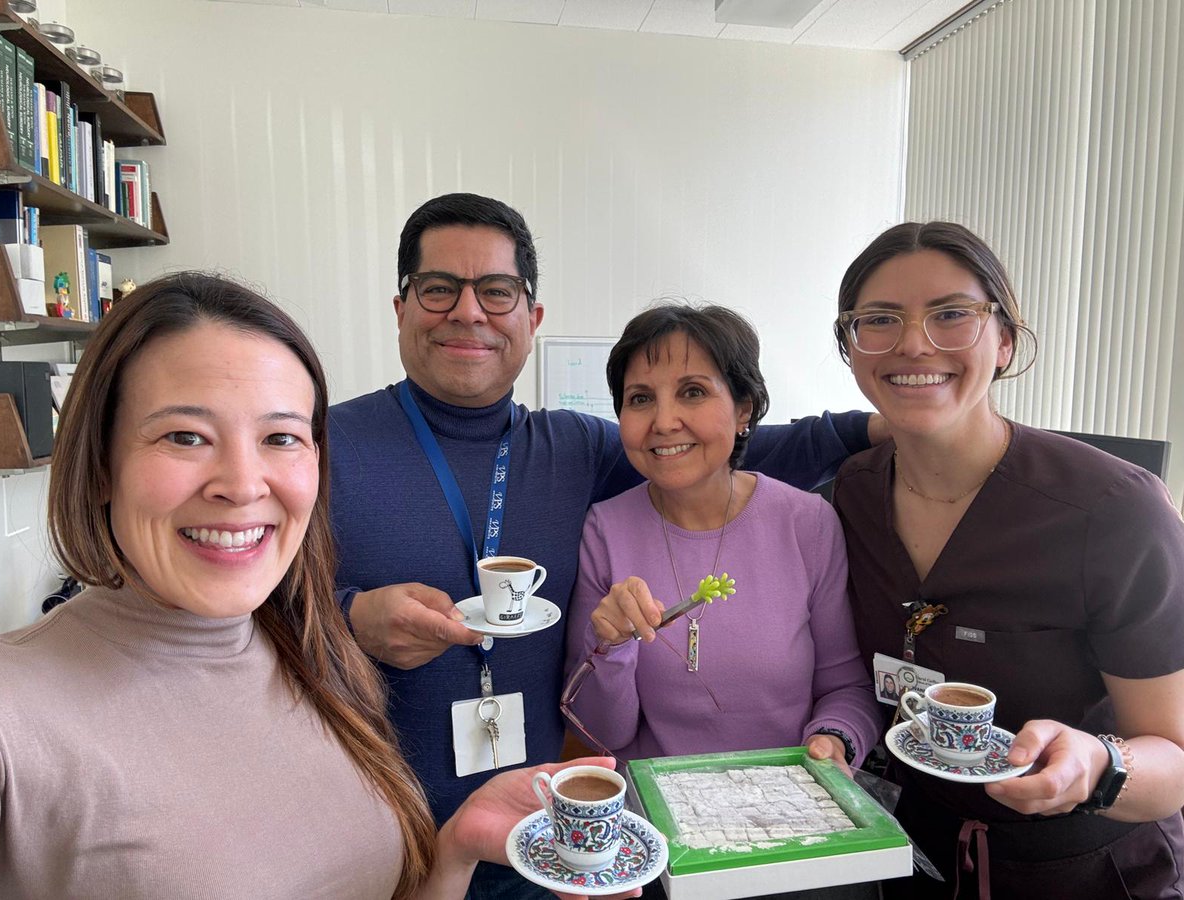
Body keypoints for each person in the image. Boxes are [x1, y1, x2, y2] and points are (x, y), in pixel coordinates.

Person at [0, 272, 626, 900]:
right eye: (186, 436)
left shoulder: (312, 658)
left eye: (280, 438)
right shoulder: (6, 709)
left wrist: (455, 848)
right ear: (99, 464)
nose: (242, 483)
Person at [330, 192, 884, 898]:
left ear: (531, 319)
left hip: (542, 832)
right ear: (401, 306)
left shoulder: (575, 448)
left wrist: (883, 426)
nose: (468, 311)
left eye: (496, 291)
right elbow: (239, 619)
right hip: (374, 830)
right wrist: (349, 618)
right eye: (439, 289)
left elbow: (723, 455)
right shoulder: (320, 445)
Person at [832, 222, 1184, 898]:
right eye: (879, 320)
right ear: (851, 346)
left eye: (951, 315)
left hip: (1085, 874)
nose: (913, 343)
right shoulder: (851, 494)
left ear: (1005, 341)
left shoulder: (1111, 511)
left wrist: (1099, 766)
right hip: (913, 858)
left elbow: (1172, 756)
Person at [562, 303, 879, 773]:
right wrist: (609, 644)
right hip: (656, 821)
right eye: (641, 398)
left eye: (692, 392)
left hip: (789, 807)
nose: (664, 421)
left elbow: (845, 688)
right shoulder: (604, 529)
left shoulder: (807, 522)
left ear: (743, 410)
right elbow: (601, 733)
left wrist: (835, 738)